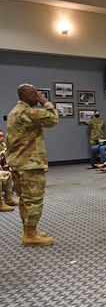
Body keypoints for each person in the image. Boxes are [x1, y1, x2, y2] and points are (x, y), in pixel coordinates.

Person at [6, 83, 59, 246]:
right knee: (34, 200)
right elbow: (53, 119)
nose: (38, 97)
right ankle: (30, 235)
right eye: (36, 95)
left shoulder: (15, 111)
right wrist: (45, 102)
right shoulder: (27, 112)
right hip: (29, 165)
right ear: (29, 96)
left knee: (25, 199)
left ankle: (29, 231)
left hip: (19, 163)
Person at [0, 130, 19, 211]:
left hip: (2, 167)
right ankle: (0, 204)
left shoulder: (3, 145)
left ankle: (8, 199)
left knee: (8, 174)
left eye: (2, 136)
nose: (1, 138)